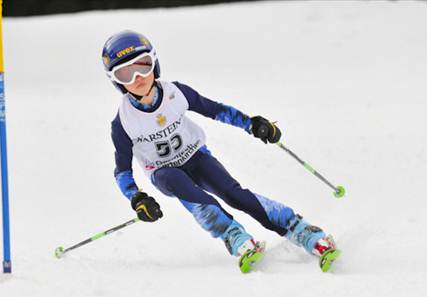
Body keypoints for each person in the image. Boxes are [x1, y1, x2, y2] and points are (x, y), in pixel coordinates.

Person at [102, 30, 340, 272]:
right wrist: (137, 198)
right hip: (163, 172)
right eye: (125, 73)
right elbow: (122, 171)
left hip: (196, 157)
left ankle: (303, 231)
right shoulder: (123, 122)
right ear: (116, 81)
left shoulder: (176, 93)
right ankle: (234, 235)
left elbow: (214, 109)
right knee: (182, 185)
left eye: (143, 65)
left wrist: (252, 124)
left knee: (234, 194)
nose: (138, 77)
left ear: (155, 63)